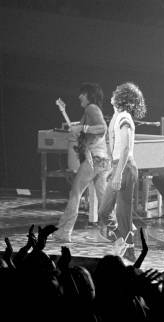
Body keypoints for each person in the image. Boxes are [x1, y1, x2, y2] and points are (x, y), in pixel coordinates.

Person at [98, 82, 146, 261]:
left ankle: (130, 253)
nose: (112, 95)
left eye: (115, 93)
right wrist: (113, 168)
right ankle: (123, 240)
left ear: (121, 98)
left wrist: (118, 173)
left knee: (122, 215)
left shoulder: (124, 117)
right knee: (105, 212)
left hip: (125, 168)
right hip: (119, 166)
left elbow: (126, 148)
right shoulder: (118, 116)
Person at [56, 83, 110, 242]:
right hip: (102, 160)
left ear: (89, 95)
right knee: (103, 199)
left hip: (94, 159)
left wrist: (82, 128)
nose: (80, 97)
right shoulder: (94, 110)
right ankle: (106, 233)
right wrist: (79, 128)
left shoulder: (91, 108)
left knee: (75, 193)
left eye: (82, 94)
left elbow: (102, 128)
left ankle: (65, 231)